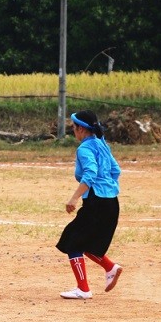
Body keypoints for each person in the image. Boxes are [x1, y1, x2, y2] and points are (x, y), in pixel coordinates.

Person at [56, 110, 123, 299]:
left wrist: (74, 198)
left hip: (96, 202)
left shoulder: (84, 149)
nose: (73, 131)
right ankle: (110, 267)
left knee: (72, 241)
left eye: (73, 127)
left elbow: (90, 174)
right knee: (83, 241)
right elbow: (115, 170)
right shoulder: (102, 144)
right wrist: (109, 189)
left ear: (80, 128)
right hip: (110, 201)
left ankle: (83, 289)